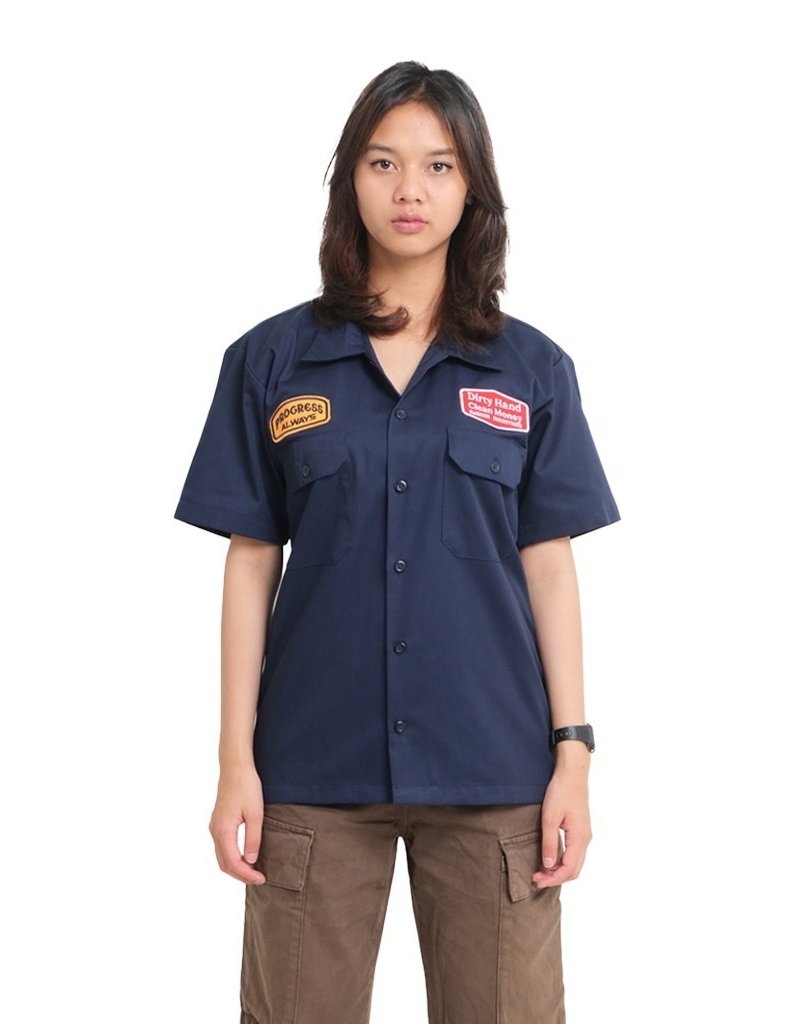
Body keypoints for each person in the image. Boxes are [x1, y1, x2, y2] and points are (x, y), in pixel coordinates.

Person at [175, 61, 619, 1024]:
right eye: (383, 162)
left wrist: (573, 757)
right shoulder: (269, 362)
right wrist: (234, 761)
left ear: (473, 187)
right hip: (312, 769)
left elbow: (549, 567)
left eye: (438, 165)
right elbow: (251, 562)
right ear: (350, 180)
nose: (410, 189)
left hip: (495, 767)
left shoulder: (534, 370)